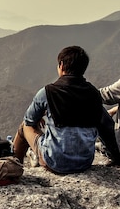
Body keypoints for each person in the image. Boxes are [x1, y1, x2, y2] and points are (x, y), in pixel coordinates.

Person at [12, 46, 102, 174]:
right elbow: (103, 126)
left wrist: (40, 116)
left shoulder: (48, 92)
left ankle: (14, 168)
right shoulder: (94, 94)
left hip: (55, 161)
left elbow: (29, 119)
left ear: (61, 65)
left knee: (24, 127)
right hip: (84, 162)